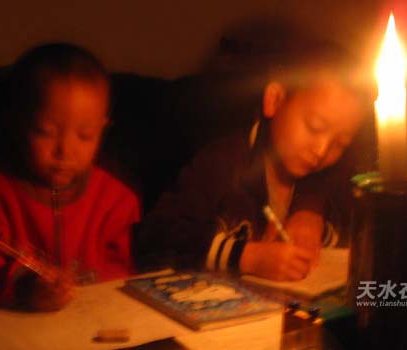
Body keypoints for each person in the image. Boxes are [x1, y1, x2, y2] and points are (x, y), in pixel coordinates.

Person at [134, 38, 373, 281]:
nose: (321, 151)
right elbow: (155, 238)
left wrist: (313, 217)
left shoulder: (328, 181)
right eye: (315, 127)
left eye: (340, 143)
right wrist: (247, 257)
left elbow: (364, 232)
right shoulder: (222, 163)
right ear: (275, 99)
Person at [0, 43, 140, 311]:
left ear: (103, 131)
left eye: (85, 135)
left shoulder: (114, 201)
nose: (65, 151)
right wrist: (21, 287)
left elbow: (121, 275)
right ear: (18, 124)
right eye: (45, 132)